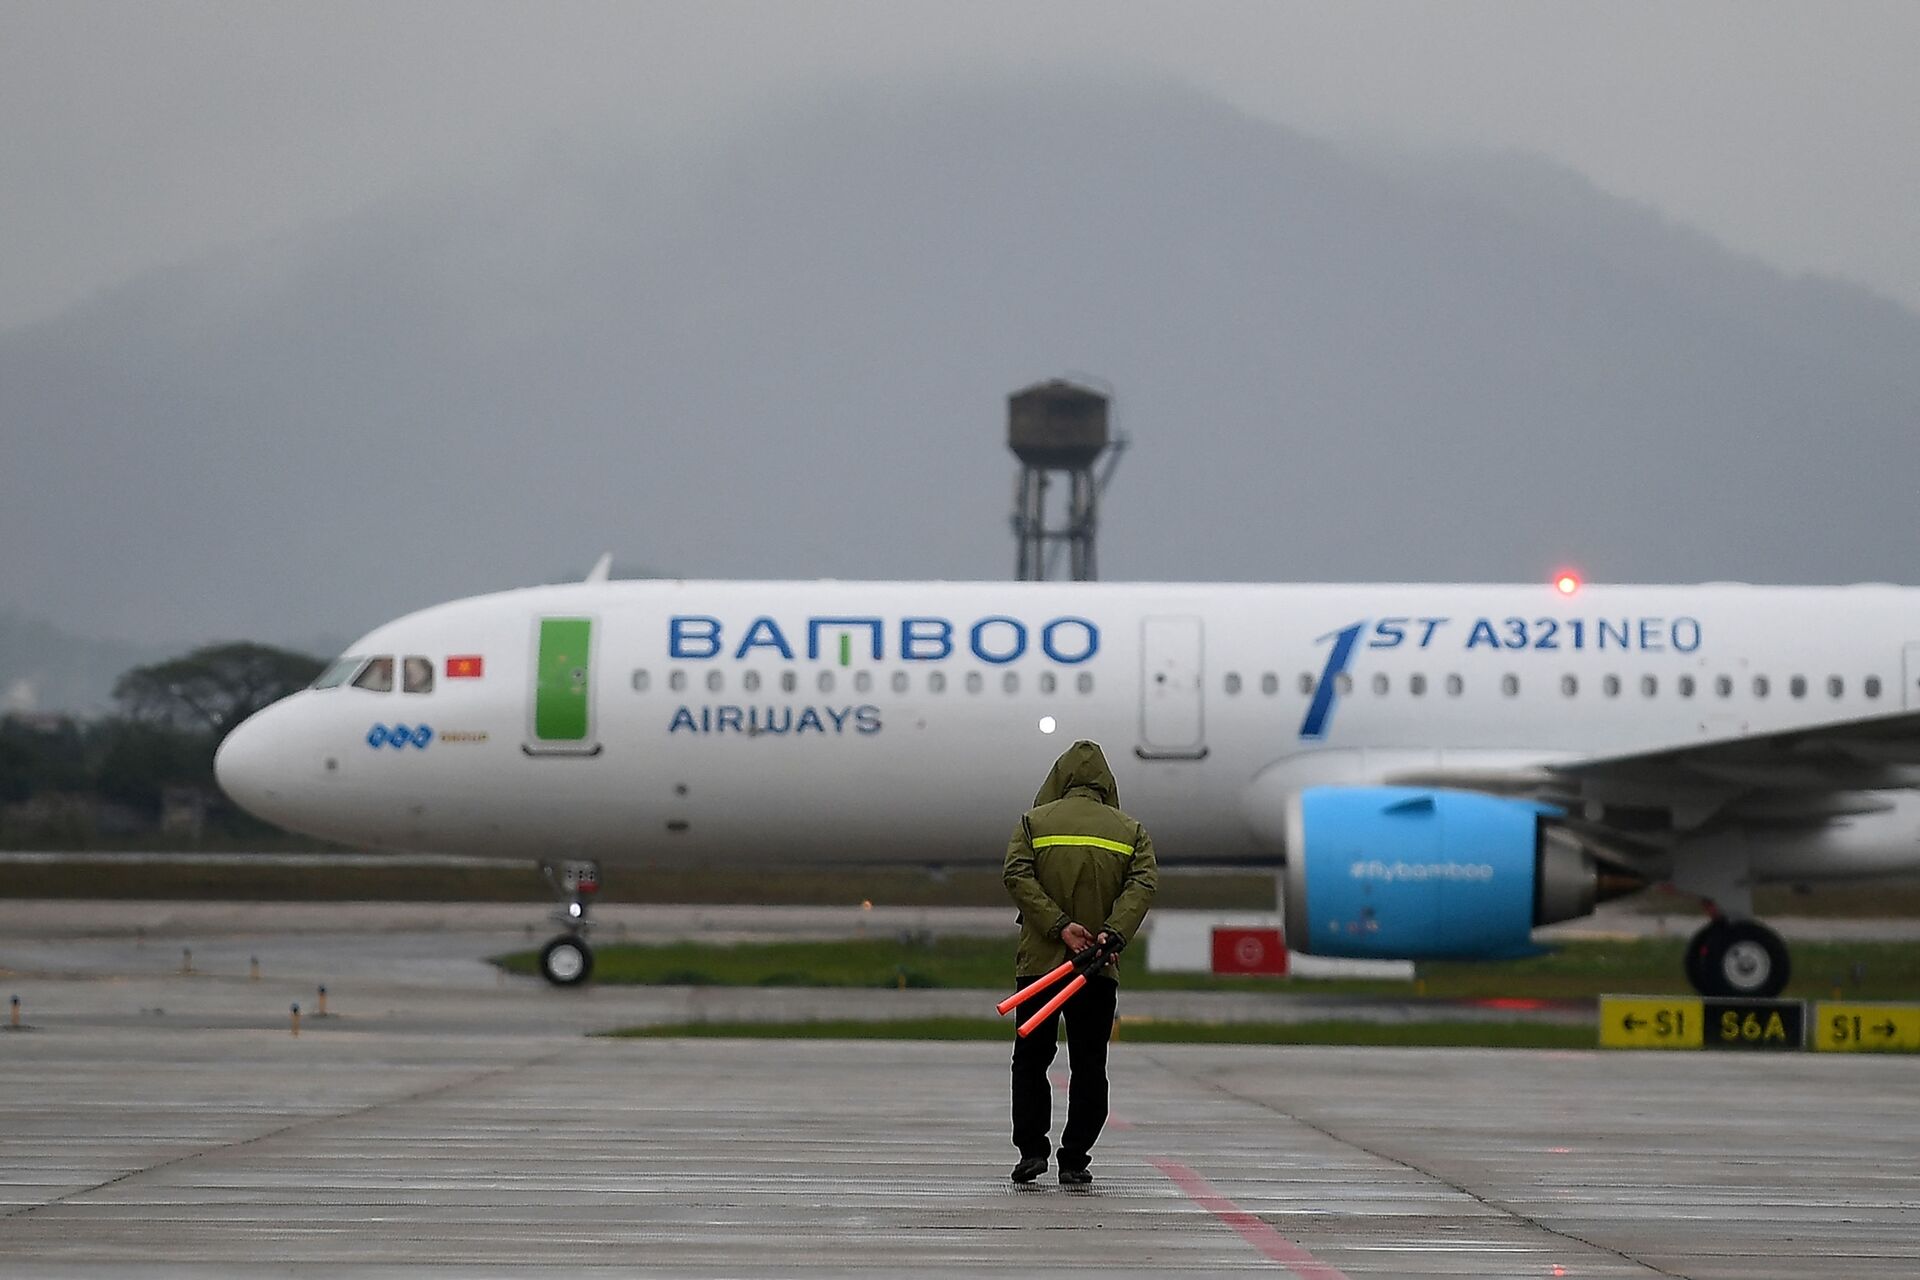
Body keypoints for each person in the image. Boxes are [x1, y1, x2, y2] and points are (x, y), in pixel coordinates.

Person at [1002, 739, 1158, 1186]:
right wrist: (1112, 932)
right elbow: (1143, 882)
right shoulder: (1130, 831)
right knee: (1090, 1062)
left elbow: (1016, 873)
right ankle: (1075, 1157)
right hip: (1098, 964)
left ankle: (1031, 1150)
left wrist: (1058, 926)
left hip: (1041, 965)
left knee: (1031, 1058)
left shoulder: (1034, 823)